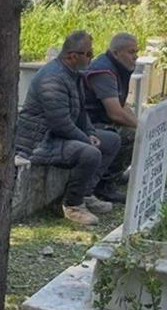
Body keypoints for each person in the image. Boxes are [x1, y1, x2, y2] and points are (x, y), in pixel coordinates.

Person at [16, 30, 121, 226]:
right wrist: (86, 139)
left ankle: (87, 192)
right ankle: (73, 204)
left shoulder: (74, 74)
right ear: (72, 56)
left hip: (58, 135)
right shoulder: (52, 78)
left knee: (112, 140)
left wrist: (90, 132)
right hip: (40, 141)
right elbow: (60, 123)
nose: (92, 58)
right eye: (89, 54)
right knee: (90, 153)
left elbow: (81, 112)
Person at [84, 32, 140, 203]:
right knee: (129, 135)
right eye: (131, 52)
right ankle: (104, 185)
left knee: (134, 129)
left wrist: (140, 122)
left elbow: (122, 103)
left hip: (98, 120)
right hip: (88, 123)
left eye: (136, 52)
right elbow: (115, 113)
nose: (136, 57)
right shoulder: (104, 71)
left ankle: (114, 175)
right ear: (116, 53)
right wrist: (142, 127)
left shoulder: (117, 68)